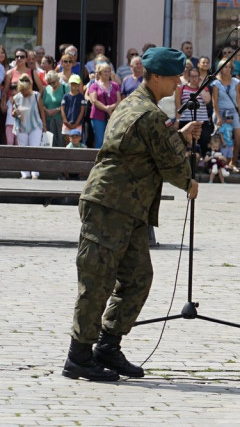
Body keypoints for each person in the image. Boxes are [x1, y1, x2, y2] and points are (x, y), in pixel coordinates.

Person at [63, 47, 201, 382]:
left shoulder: (135, 105)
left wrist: (179, 138)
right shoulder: (148, 114)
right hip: (110, 206)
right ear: (155, 77)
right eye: (172, 78)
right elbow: (168, 161)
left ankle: (107, 346)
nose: (177, 84)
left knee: (137, 278)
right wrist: (189, 181)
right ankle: (78, 356)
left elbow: (152, 146)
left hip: (129, 209)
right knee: (97, 281)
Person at [211, 59, 240, 170]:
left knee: (239, 137)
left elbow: (238, 99)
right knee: (221, 138)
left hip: (233, 111)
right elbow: (214, 101)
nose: (228, 69)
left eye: (229, 67)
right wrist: (219, 117)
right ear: (220, 68)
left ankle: (232, 162)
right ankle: (220, 165)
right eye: (225, 67)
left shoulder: (235, 81)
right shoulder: (216, 83)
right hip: (220, 111)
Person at [175, 66, 214, 156]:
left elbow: (207, 100)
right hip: (186, 120)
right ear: (188, 77)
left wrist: (200, 85)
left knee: (203, 142)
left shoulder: (204, 88)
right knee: (187, 144)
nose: (194, 79)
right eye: (192, 76)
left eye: (196, 76)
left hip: (201, 120)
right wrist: (177, 121)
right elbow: (178, 106)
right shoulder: (183, 88)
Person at [13, 75, 46, 178]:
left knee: (34, 149)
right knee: (23, 151)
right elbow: (13, 112)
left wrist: (44, 125)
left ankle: (35, 173)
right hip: (21, 127)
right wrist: (14, 113)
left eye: (25, 90)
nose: (24, 93)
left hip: (35, 126)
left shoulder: (36, 95)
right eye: (22, 91)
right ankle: (25, 173)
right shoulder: (16, 97)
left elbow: (41, 110)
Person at [85, 62, 121, 149]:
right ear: (100, 73)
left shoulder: (115, 85)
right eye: (105, 71)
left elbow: (119, 100)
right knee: (100, 140)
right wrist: (106, 108)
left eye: (109, 71)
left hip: (112, 115)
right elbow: (94, 100)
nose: (107, 73)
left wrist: (110, 108)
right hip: (97, 115)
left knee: (112, 139)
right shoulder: (94, 85)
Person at [42, 70, 68, 147]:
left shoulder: (65, 87)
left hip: (61, 119)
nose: (52, 85)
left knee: (61, 141)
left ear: (57, 79)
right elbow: (42, 104)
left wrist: (57, 110)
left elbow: (68, 103)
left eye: (53, 82)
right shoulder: (47, 89)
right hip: (49, 120)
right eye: (49, 83)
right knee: (50, 143)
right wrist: (47, 111)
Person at [60, 75, 87, 144]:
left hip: (77, 124)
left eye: (75, 84)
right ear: (69, 84)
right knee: (67, 141)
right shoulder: (65, 96)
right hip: (67, 123)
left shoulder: (81, 97)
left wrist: (76, 123)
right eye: (72, 84)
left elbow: (82, 111)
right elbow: (62, 109)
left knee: (76, 141)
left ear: (78, 85)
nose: (73, 86)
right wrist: (65, 121)